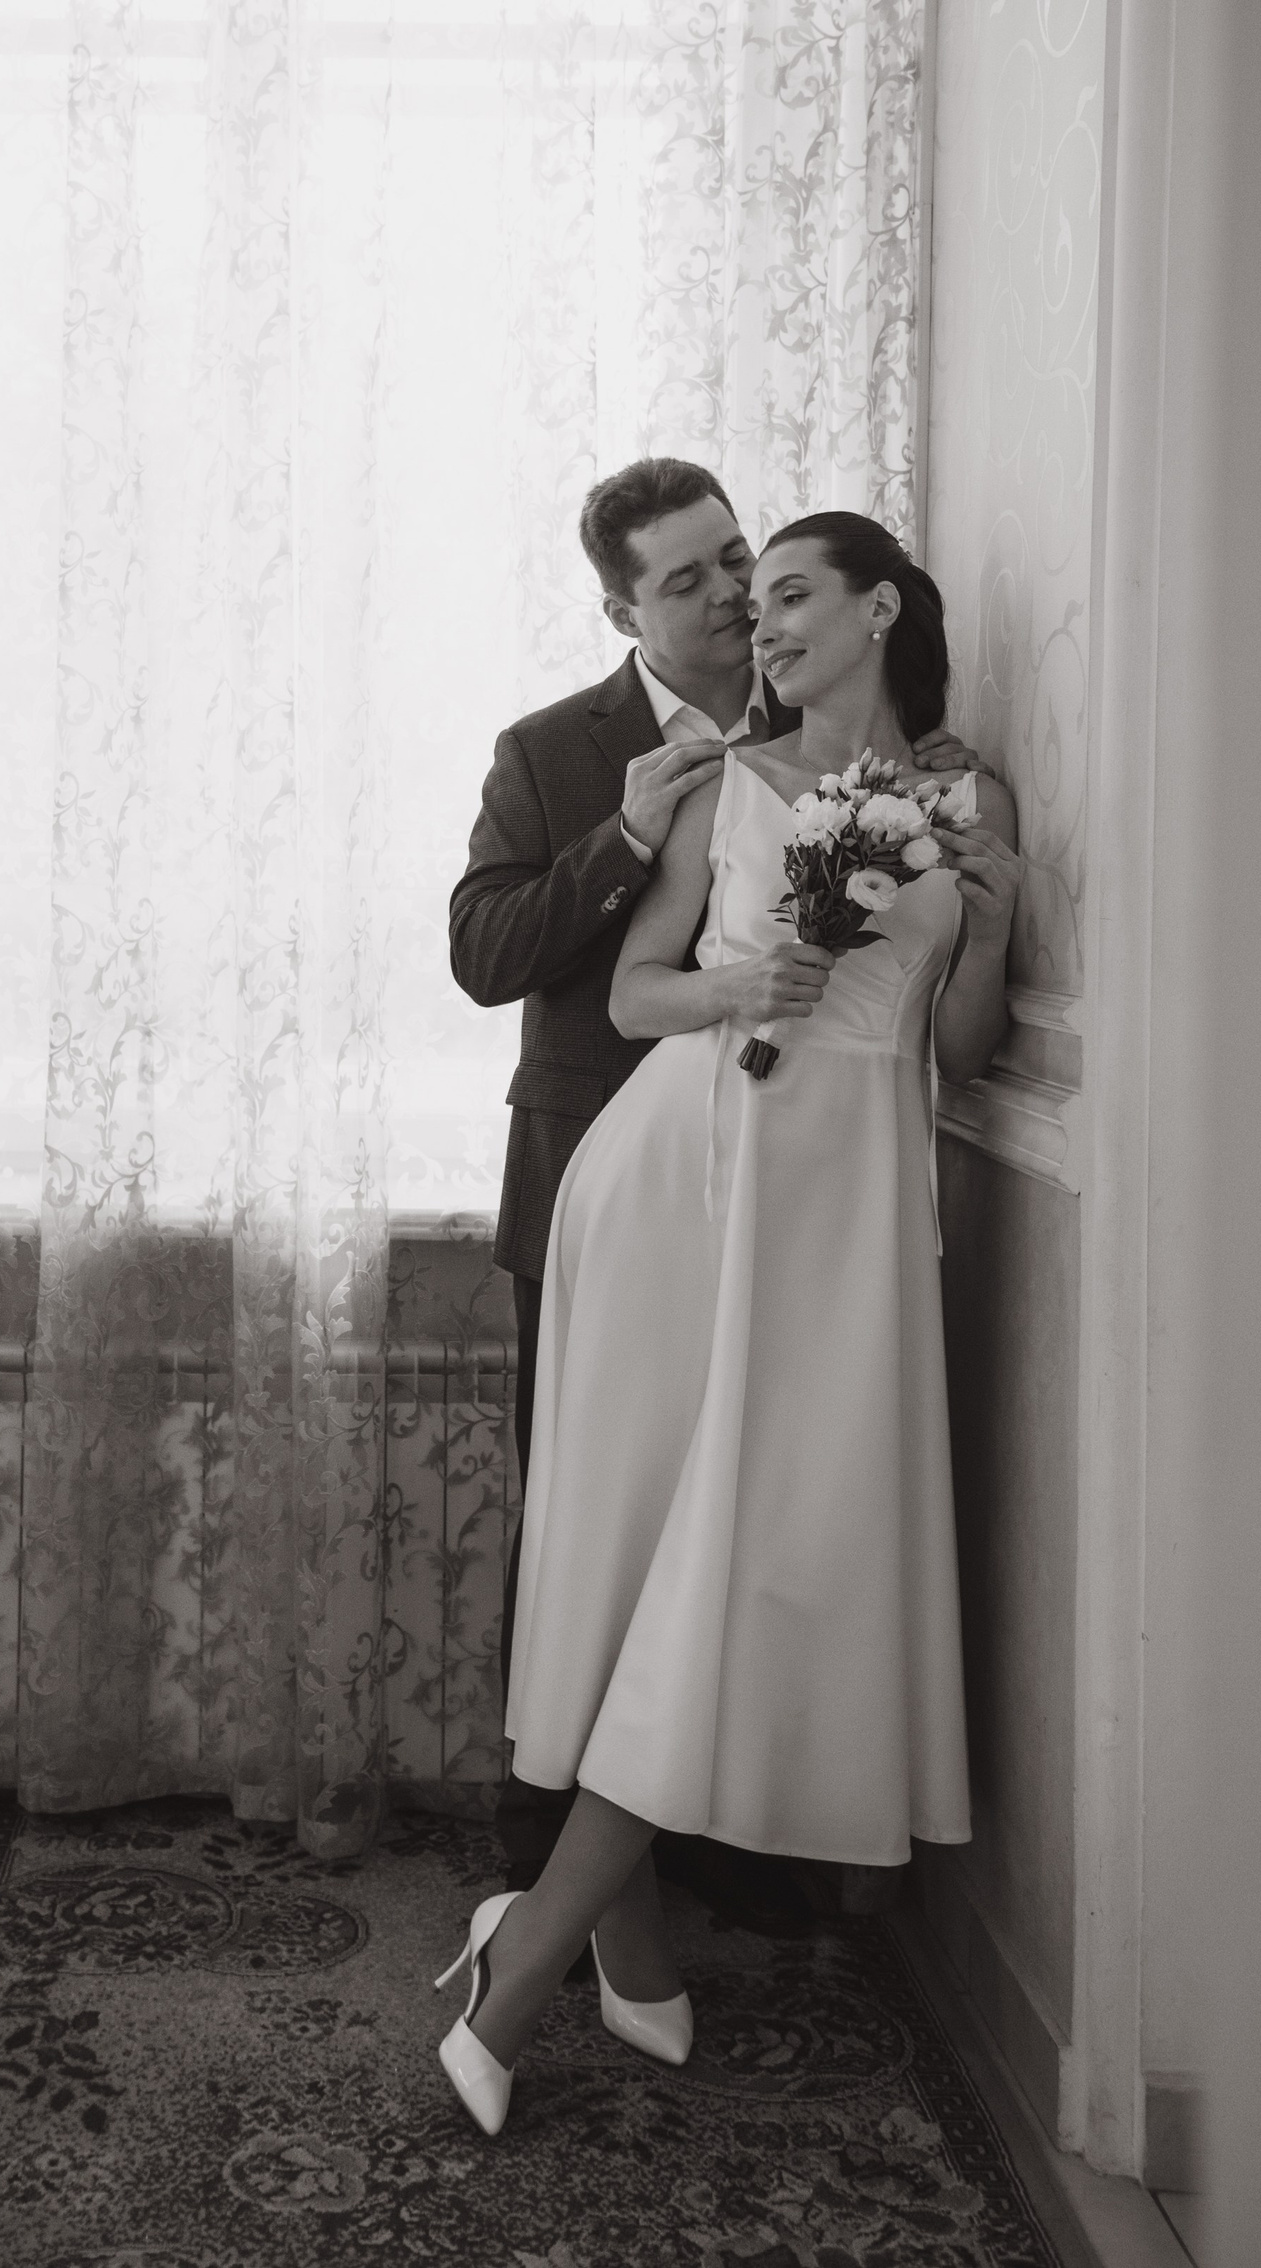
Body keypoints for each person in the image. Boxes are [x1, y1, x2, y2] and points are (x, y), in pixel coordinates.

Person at [435, 513, 1022, 2135]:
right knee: (656, 1553)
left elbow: (962, 1048)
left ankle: (545, 1938)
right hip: (685, 1183)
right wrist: (737, 990)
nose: (758, 623)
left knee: (743, 1565)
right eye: (742, 602)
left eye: (786, 594)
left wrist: (992, 921)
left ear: (881, 609)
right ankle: (553, 1948)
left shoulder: (965, 800)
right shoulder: (721, 784)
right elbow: (636, 993)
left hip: (847, 1212)